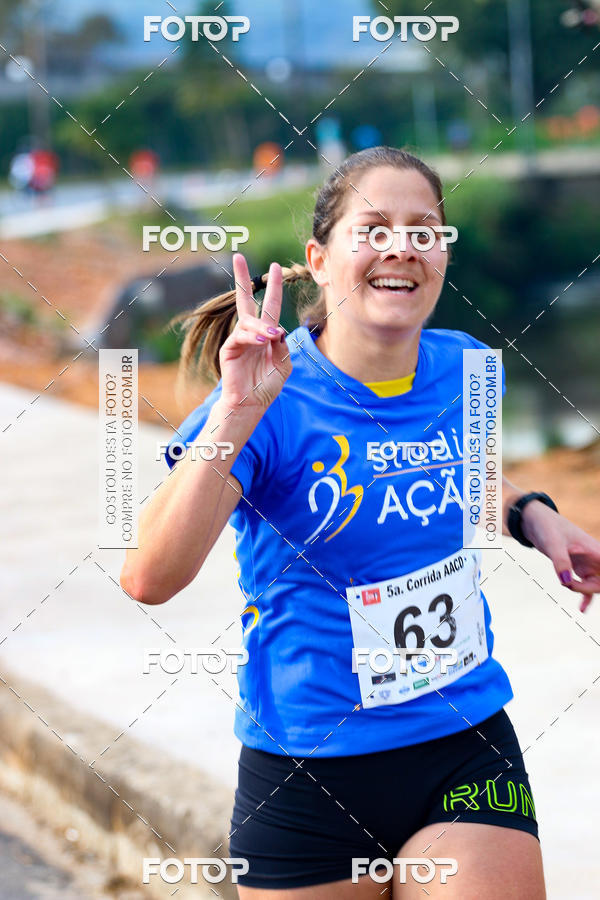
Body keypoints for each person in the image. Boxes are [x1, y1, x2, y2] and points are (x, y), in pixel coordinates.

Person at [120, 147, 600, 898]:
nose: (401, 246)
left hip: (463, 742)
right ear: (318, 257)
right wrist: (238, 412)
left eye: (424, 229)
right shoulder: (265, 398)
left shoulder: (468, 366)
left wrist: (535, 517)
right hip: (310, 769)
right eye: (373, 229)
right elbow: (149, 577)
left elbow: (461, 471)